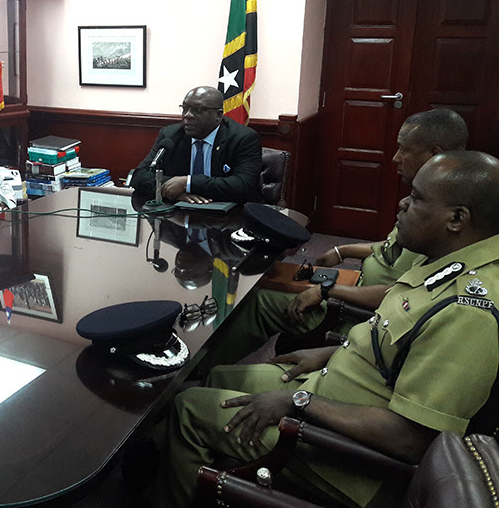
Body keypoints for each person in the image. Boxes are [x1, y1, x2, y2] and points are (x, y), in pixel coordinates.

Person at [152, 150, 499, 508]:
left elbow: (411, 438)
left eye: (416, 197)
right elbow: (395, 345)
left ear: (457, 218)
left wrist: (298, 401)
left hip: (350, 459)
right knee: (220, 377)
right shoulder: (448, 262)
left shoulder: (469, 311)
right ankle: (173, 465)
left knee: (189, 409)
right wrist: (329, 352)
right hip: (335, 388)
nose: (403, 203)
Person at [202, 108, 469, 366]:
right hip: (356, 289)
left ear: (434, 154)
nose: (395, 158)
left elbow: (412, 295)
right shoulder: (437, 197)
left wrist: (327, 290)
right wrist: (343, 250)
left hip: (363, 315)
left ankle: (200, 371)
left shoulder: (444, 217)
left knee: (258, 302)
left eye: (403, 149)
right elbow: (392, 246)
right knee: (270, 281)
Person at [130, 86, 262, 204]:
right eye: (185, 109)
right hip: (180, 214)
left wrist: (188, 183)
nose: (188, 115)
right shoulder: (170, 136)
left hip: (230, 214)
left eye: (197, 110)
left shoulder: (243, 138)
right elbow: (139, 176)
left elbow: (244, 185)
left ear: (218, 115)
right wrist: (174, 192)